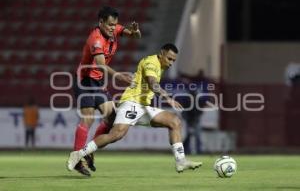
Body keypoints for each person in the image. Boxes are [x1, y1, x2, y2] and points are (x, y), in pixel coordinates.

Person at [67, 43, 202, 173]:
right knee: (116, 135)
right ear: (161, 54)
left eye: (173, 60)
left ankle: (181, 161)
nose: (171, 63)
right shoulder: (151, 63)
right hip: (131, 103)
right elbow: (152, 83)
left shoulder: (160, 65)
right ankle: (78, 154)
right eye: (169, 58)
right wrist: (168, 98)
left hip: (143, 107)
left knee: (174, 121)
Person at [72, 6, 141, 176]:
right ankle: (76, 159)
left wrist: (135, 31)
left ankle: (89, 151)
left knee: (111, 118)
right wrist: (119, 76)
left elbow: (135, 36)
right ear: (100, 22)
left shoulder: (115, 29)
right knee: (87, 119)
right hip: (86, 81)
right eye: (109, 24)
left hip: (99, 82)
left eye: (114, 24)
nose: (113, 27)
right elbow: (101, 65)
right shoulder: (95, 39)